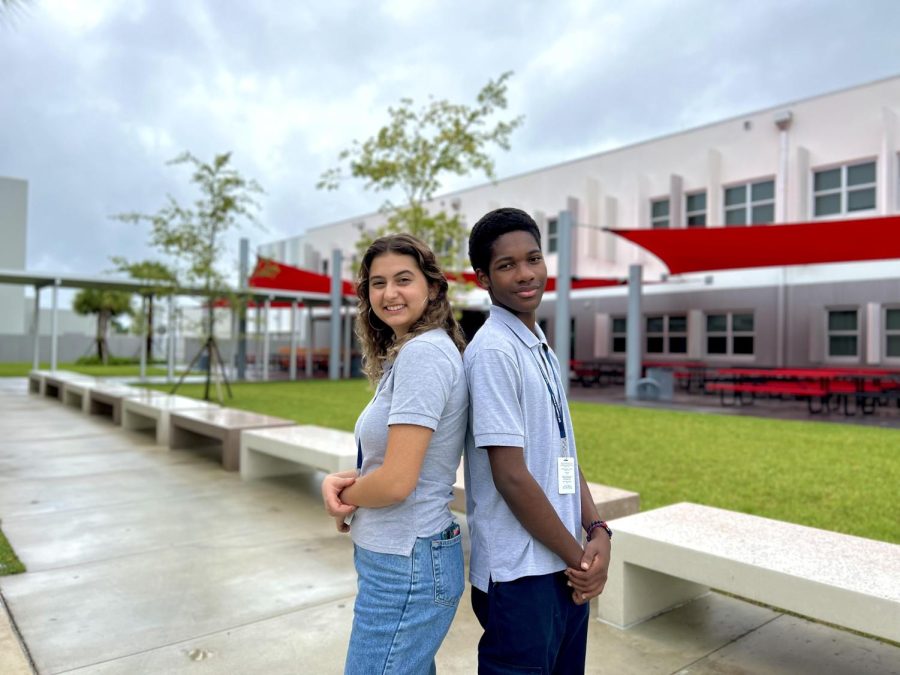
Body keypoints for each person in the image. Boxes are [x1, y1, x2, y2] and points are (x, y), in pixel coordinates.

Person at [463, 207, 612, 674]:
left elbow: (563, 452)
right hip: (521, 575)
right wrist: (582, 563)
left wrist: (598, 530)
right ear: (483, 278)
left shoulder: (537, 343)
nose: (525, 274)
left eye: (533, 259)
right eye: (506, 265)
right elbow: (510, 476)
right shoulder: (492, 351)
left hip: (563, 567)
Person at [321, 233, 468, 675]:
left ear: (433, 287)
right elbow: (402, 464)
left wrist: (346, 498)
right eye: (377, 283)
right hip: (403, 558)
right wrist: (346, 479)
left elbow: (397, 482)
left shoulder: (424, 355)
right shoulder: (408, 353)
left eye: (403, 279)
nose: (389, 293)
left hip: (406, 564)